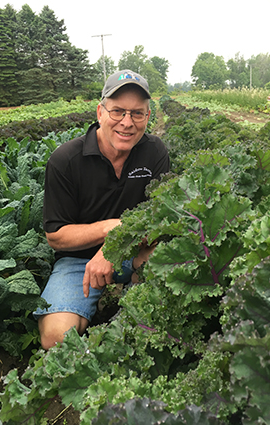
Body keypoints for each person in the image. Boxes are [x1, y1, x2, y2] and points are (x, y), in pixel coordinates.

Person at [34, 69, 170, 350]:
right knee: (56, 338)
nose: (127, 122)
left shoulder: (155, 152)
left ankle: (132, 287)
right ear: (100, 112)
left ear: (148, 116)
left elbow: (162, 217)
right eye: (118, 111)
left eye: (137, 113)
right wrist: (111, 228)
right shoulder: (66, 160)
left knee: (167, 290)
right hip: (79, 262)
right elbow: (56, 236)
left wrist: (114, 248)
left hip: (137, 250)